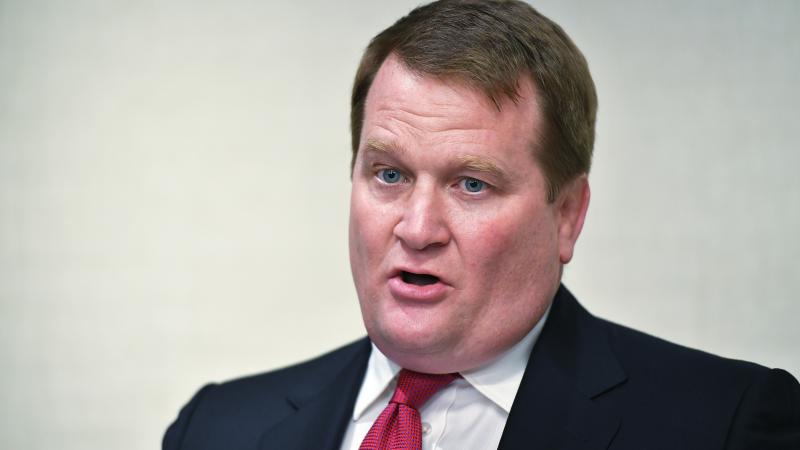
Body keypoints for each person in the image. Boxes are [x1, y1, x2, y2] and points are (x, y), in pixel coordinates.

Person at [163, 1, 800, 449]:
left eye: (472, 184)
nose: (417, 228)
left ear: (567, 216)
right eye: (389, 175)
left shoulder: (723, 425)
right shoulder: (217, 429)